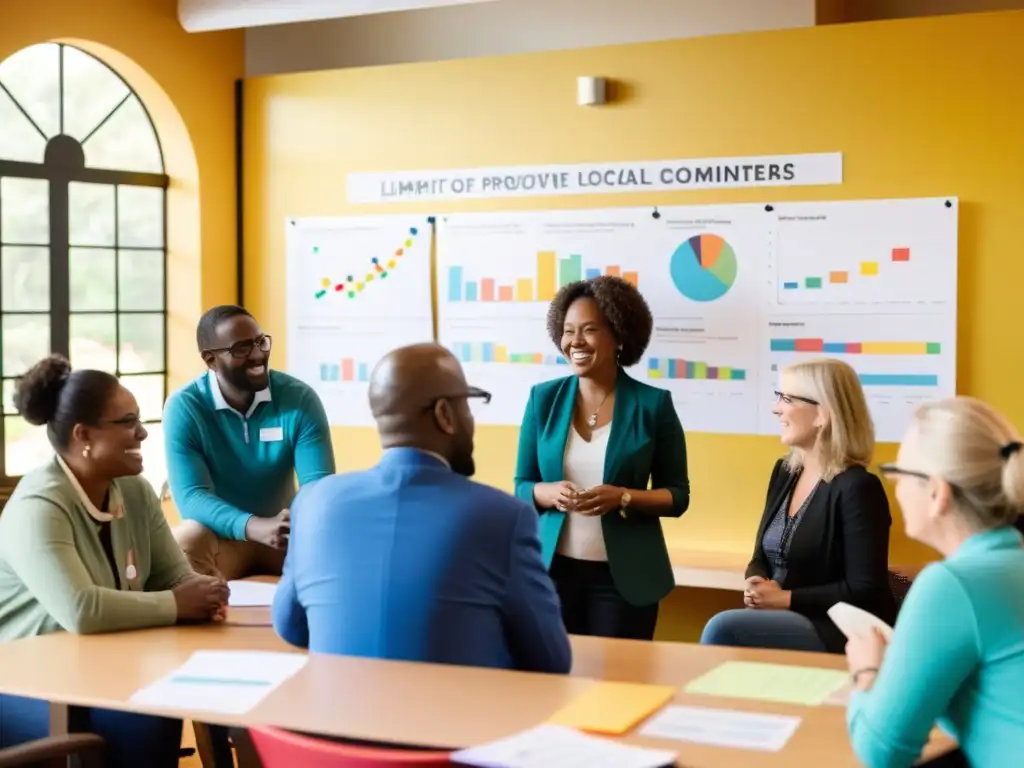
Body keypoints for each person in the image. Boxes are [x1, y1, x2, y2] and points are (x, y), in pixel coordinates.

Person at [272, 343, 571, 674]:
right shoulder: (503, 517)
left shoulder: (313, 502)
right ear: (445, 414)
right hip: (456, 724)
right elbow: (550, 659)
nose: (471, 420)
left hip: (325, 724)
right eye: (468, 405)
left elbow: (290, 627)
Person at [0, 356, 229, 767]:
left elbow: (172, 574)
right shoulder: (38, 506)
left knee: (172, 704)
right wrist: (179, 603)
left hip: (100, 669)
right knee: (146, 719)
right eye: (127, 422)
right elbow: (82, 610)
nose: (142, 432)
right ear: (83, 434)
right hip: (24, 684)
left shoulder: (135, 490)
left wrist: (204, 591)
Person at [845, 397, 1024, 767]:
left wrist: (868, 672)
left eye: (898, 474)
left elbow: (883, 753)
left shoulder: (952, 584)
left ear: (937, 492)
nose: (895, 489)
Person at [514, 276, 689, 641]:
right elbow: (521, 486)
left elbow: (677, 495)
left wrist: (623, 497)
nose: (575, 341)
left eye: (589, 330)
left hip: (624, 581)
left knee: (618, 687)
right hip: (552, 574)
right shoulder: (542, 400)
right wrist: (547, 493)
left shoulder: (653, 405)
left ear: (620, 336)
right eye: (568, 331)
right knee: (554, 684)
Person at [701, 358, 896, 653]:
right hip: (781, 614)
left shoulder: (858, 488)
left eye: (787, 399)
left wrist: (785, 599)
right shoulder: (785, 472)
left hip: (834, 625)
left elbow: (865, 590)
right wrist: (755, 581)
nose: (776, 408)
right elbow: (760, 556)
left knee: (724, 628)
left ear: (822, 414)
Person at [165, 305, 335, 580]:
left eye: (260, 342)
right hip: (223, 540)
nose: (258, 355)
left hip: (286, 537)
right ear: (210, 360)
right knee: (185, 539)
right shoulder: (185, 407)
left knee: (338, 532)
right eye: (241, 349)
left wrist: (285, 526)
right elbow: (191, 498)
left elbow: (318, 488)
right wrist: (252, 526)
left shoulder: (299, 399)